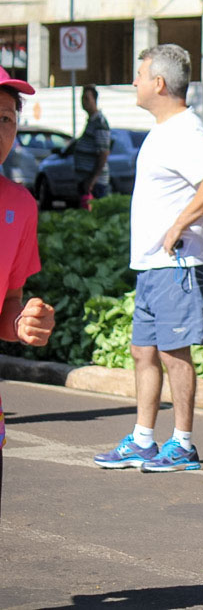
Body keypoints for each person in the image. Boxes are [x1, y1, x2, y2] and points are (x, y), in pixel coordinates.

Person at [93, 44, 203, 473]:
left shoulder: (186, 131)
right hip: (154, 266)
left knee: (174, 353)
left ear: (158, 83)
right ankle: (142, 440)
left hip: (179, 265)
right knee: (143, 352)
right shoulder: (163, 131)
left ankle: (183, 444)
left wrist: (177, 227)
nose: (133, 82)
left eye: (139, 74)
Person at [1, 67, 57, 514]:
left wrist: (25, 325)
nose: (0, 129)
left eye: (6, 119)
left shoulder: (21, 206)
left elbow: (10, 305)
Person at [72, 84, 111, 210]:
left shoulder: (100, 123)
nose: (84, 102)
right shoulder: (91, 121)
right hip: (86, 180)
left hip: (95, 185)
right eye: (82, 98)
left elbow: (103, 154)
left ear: (95, 100)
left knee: (94, 218)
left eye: (87, 99)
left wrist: (92, 180)